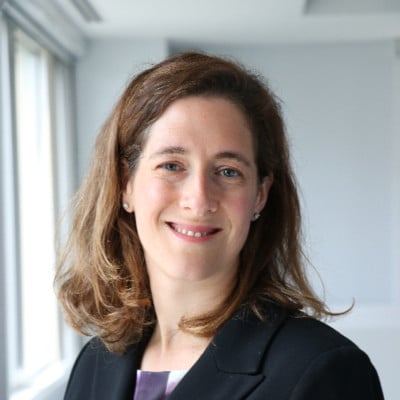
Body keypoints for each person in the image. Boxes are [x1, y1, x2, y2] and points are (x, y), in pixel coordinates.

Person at [55, 52, 384, 400]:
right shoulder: (95, 363)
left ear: (260, 195)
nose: (198, 200)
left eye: (228, 171)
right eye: (171, 165)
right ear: (126, 183)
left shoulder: (325, 369)